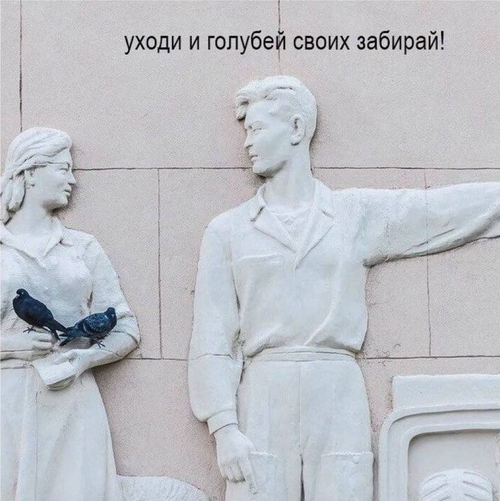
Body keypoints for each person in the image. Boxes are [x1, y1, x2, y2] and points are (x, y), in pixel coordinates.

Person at [188, 76, 500, 501]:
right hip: (264, 391)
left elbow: (432, 212)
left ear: (296, 128)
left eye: (257, 129)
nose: (247, 143)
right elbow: (212, 335)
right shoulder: (228, 230)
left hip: (336, 385)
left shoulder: (351, 215)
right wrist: (224, 426)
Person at [1, 127, 140, 501]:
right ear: (31, 172)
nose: (73, 180)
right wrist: (12, 346)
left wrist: (85, 360)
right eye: (63, 169)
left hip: (72, 401)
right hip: (8, 405)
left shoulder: (81, 247)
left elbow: (125, 326)